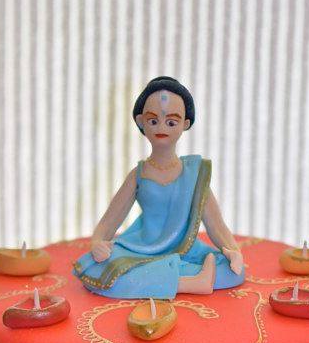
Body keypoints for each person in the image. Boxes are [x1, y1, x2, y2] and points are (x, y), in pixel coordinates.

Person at [73, 76, 245, 300]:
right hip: (141, 250)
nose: (161, 127)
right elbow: (109, 221)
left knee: (232, 270)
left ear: (185, 124)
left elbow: (216, 224)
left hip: (185, 251)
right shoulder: (138, 175)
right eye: (153, 121)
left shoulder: (194, 174)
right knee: (101, 270)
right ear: (141, 122)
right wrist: (97, 243)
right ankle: (190, 282)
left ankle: (169, 280)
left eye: (171, 122)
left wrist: (233, 251)